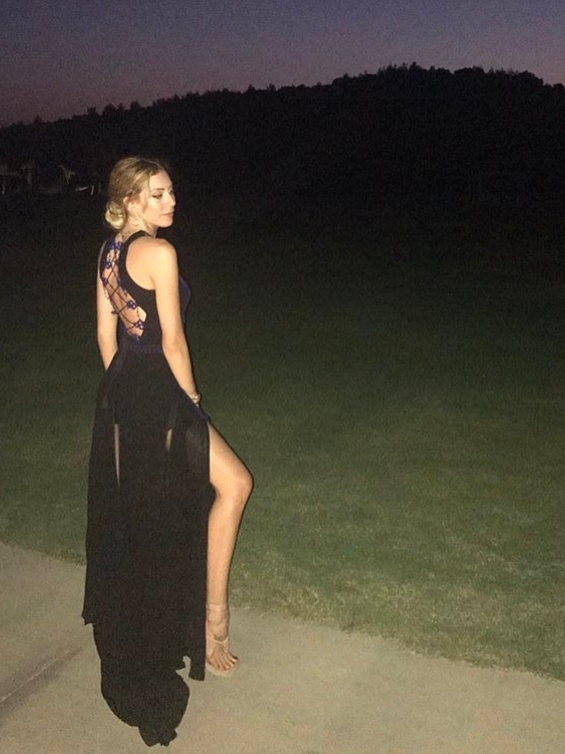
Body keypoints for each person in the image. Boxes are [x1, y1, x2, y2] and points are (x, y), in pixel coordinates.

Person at [82, 156, 252, 745]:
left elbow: (106, 335)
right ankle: (212, 622)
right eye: (157, 194)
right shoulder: (158, 252)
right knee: (235, 485)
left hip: (125, 395)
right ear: (130, 200)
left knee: (156, 517)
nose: (170, 201)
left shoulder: (108, 253)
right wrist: (190, 402)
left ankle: (192, 619)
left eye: (171, 191)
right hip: (163, 393)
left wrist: (126, 395)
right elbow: (174, 341)